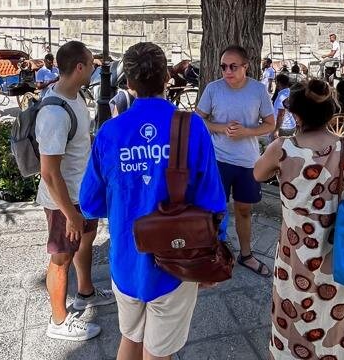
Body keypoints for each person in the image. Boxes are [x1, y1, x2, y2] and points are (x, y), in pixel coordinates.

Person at [81, 42, 226, 360]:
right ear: (167, 79)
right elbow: (213, 199)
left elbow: (89, 203)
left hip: (126, 260)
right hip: (177, 260)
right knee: (159, 352)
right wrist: (215, 251)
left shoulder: (110, 132)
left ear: (129, 84)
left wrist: (127, 203)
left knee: (130, 338)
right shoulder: (192, 127)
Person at [254, 79, 344, 360]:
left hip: (294, 261)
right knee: (340, 323)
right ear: (331, 113)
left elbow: (257, 173)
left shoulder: (282, 149)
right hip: (342, 258)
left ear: (296, 115)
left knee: (293, 318)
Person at [36, 41, 113, 341]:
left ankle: (85, 292)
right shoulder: (54, 114)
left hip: (83, 193)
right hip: (64, 201)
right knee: (61, 258)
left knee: (85, 243)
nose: (95, 68)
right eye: (91, 64)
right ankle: (58, 321)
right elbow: (49, 172)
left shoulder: (75, 95)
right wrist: (69, 214)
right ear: (80, 67)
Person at [197, 45, 277, 277]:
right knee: (214, 210)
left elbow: (270, 124)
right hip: (218, 159)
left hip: (247, 161)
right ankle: (212, 254)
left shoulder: (258, 90)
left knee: (244, 210)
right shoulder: (213, 89)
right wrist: (221, 128)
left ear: (245, 67)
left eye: (233, 66)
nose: (227, 71)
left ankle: (246, 254)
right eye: (223, 67)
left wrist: (247, 132)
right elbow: (198, 119)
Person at [271, 73, 296, 138]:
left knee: (274, 143)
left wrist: (276, 130)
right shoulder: (290, 92)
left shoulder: (282, 96)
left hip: (283, 128)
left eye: (276, 81)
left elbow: (281, 115)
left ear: (278, 83)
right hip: (291, 126)